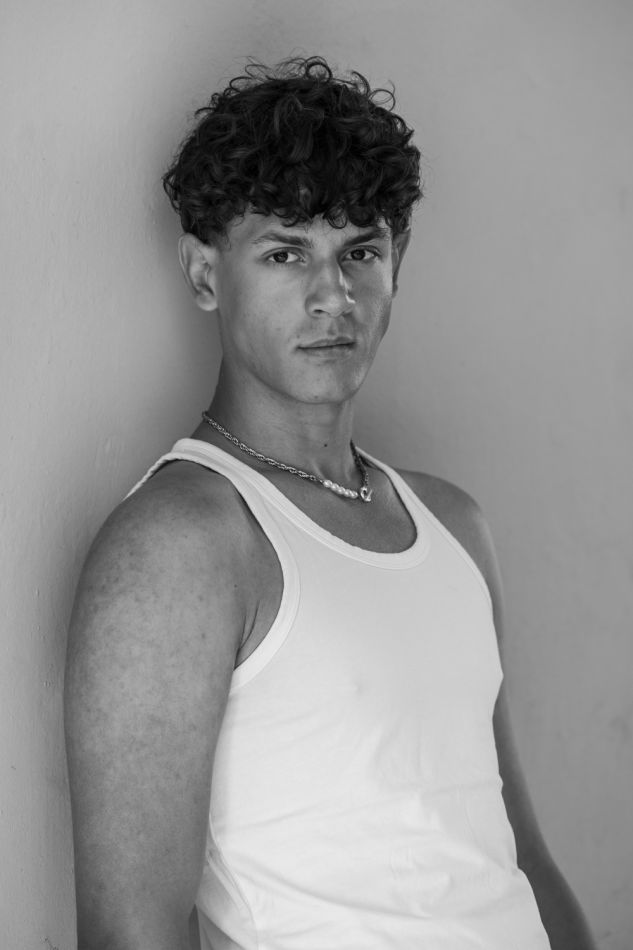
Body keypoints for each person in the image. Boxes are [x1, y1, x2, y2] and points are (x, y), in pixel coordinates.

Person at [64, 56, 596, 950]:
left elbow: (520, 858)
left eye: (360, 253)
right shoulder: (181, 543)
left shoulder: (453, 524)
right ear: (203, 272)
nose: (332, 296)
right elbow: (129, 931)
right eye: (284, 253)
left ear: (397, 263)